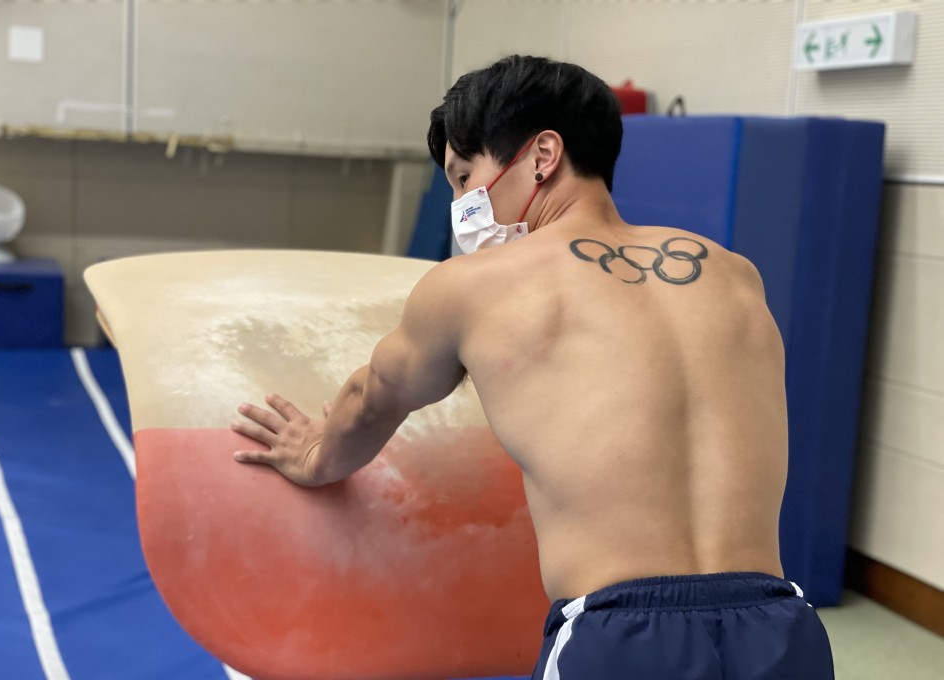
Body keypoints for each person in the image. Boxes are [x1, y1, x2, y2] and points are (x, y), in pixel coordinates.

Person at [230, 55, 834, 679]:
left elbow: (372, 396)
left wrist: (313, 457)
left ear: (543, 155)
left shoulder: (474, 286)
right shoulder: (733, 274)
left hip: (622, 634)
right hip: (781, 628)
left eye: (464, 178)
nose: (462, 204)